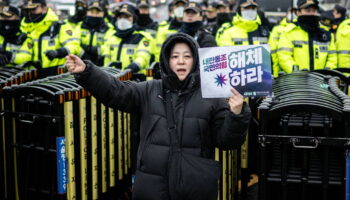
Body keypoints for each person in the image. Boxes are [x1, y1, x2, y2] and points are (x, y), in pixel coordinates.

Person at [66, 32, 251, 200]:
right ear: (166, 60)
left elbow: (227, 142)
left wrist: (237, 114)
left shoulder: (212, 95)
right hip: (151, 187)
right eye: (175, 56)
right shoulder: (149, 89)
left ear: (195, 61)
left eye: (187, 56)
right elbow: (116, 91)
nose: (181, 61)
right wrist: (87, 72)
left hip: (194, 187)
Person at [21, 0, 81, 77]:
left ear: (44, 8)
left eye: (34, 9)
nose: (31, 12)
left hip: (56, 75)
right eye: (29, 10)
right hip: (31, 75)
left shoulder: (59, 26)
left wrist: (58, 52)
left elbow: (74, 46)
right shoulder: (26, 28)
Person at [277, 0, 337, 73]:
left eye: (313, 11)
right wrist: (298, 73)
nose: (311, 14)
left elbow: (332, 58)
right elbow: (284, 57)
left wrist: (326, 73)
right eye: (308, 11)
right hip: (297, 80)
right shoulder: (288, 33)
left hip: (321, 80)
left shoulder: (326, 34)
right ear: (298, 12)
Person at [102, 3, 153, 74]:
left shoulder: (142, 37)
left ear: (133, 19)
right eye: (120, 17)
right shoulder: (113, 37)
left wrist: (133, 67)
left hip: (135, 79)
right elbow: (107, 60)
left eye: (127, 16)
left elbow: (143, 57)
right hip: (114, 78)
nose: (123, 20)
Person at [74, 0, 115, 65]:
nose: (94, 15)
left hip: (100, 65)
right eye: (91, 12)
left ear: (103, 13)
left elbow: (108, 47)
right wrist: (83, 53)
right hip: (80, 62)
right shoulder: (80, 26)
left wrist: (95, 50)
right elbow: (74, 43)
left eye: (97, 12)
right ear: (87, 12)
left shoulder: (109, 28)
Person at [268, 7, 297, 77]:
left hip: (296, 71)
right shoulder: (277, 29)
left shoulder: (299, 29)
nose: (293, 14)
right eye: (291, 12)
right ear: (287, 14)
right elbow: (273, 51)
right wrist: (275, 72)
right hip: (280, 70)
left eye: (295, 12)